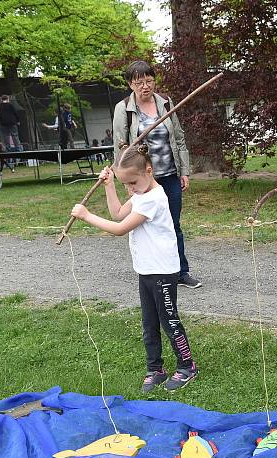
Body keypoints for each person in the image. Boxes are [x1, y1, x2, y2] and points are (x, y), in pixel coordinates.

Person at [70, 145, 198, 392]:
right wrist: (109, 186)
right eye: (124, 185)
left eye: (132, 183)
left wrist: (86, 216)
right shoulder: (140, 193)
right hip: (146, 270)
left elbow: (119, 229)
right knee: (149, 322)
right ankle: (155, 369)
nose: (129, 190)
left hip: (162, 271)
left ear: (149, 171)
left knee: (169, 320)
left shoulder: (154, 199)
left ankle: (187, 366)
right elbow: (118, 213)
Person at [113, 60, 201, 289]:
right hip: (143, 179)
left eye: (149, 81)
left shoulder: (166, 103)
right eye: (139, 82)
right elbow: (120, 146)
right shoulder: (123, 109)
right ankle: (150, 271)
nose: (145, 86)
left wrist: (184, 171)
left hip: (170, 175)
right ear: (130, 84)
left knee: (173, 225)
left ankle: (180, 272)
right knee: (143, 225)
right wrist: (125, 180)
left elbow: (179, 139)